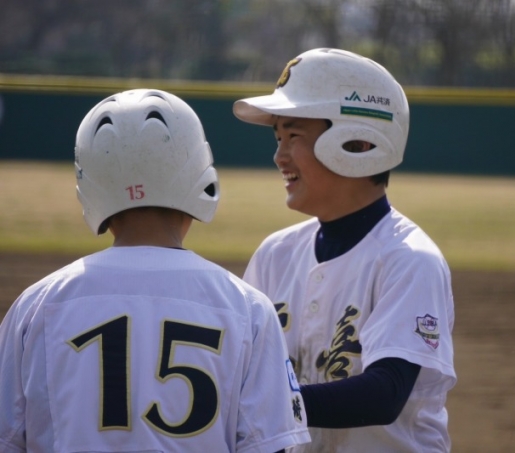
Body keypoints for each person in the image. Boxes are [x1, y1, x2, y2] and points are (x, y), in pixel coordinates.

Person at [0, 89, 310, 452]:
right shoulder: (248, 308)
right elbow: (268, 445)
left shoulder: (36, 306)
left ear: (88, 185)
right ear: (200, 174)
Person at [233, 48, 457, 452]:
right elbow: (243, 376)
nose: (279, 156)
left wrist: (261, 404)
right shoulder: (275, 255)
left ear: (356, 142)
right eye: (278, 138)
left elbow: (384, 393)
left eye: (294, 136)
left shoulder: (408, 259)